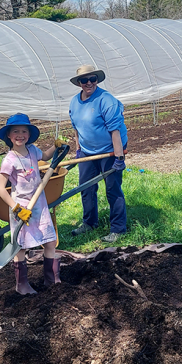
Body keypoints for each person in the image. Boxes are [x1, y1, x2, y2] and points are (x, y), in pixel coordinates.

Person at [0, 114, 63, 295]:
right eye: (15, 131)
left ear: (29, 134)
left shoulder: (33, 150)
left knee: (50, 241)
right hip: (21, 207)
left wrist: (55, 147)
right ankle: (22, 285)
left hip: (38, 204)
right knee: (21, 246)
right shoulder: (9, 160)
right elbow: (0, 189)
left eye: (24, 131)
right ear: (9, 136)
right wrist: (16, 208)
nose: (20, 135)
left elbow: (46, 156)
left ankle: (52, 280)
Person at [68, 65, 128, 243]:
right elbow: (76, 128)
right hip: (87, 151)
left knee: (112, 189)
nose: (89, 83)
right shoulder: (74, 102)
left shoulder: (105, 100)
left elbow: (115, 131)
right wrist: (79, 150)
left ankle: (118, 229)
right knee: (86, 187)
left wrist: (119, 157)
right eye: (84, 80)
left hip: (110, 151)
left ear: (97, 80)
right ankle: (89, 222)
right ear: (79, 83)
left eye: (92, 79)